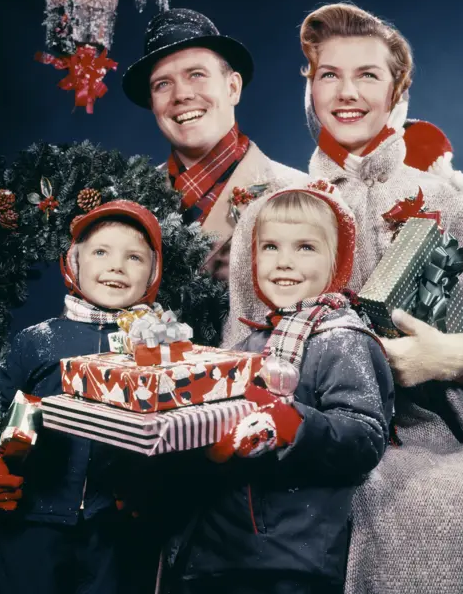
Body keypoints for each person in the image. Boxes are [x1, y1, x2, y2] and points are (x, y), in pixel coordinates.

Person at [227, 3, 463, 593]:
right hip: (295, 428)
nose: (346, 93)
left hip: (429, 436)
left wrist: (456, 355)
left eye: (368, 75)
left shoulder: (457, 208)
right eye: (330, 74)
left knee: (453, 505)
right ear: (310, 86)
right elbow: (238, 343)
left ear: (398, 88)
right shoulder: (270, 209)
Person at [165, 185, 394, 594]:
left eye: (305, 247)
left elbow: (364, 436)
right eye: (270, 247)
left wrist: (293, 424)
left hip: (291, 555)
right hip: (216, 548)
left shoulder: (342, 340)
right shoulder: (245, 346)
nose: (284, 262)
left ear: (336, 260)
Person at [0, 200, 164, 594]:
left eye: (134, 257)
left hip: (114, 529)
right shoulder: (37, 340)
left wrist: (151, 484)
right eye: (101, 252)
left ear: (152, 273)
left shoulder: (160, 348)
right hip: (32, 518)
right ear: (74, 263)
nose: (116, 265)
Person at [122, 8, 307, 282]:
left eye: (196, 74)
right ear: (153, 105)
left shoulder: (301, 194)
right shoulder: (126, 203)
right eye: (162, 84)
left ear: (233, 88)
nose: (181, 95)